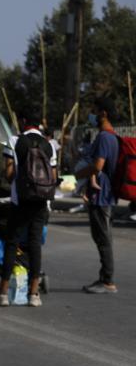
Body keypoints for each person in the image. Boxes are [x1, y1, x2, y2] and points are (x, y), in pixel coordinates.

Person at [0, 110, 57, 307]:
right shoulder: (49, 145)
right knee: (35, 244)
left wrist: (18, 183)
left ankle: (3, 293)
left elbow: (9, 171)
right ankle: (33, 293)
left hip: (20, 200)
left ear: (23, 120)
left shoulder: (14, 141)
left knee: (12, 243)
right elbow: (53, 176)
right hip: (41, 201)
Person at [76, 98, 120, 295]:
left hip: (101, 195)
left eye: (94, 111)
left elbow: (98, 166)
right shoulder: (110, 136)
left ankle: (107, 280)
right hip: (104, 192)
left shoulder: (104, 138)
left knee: (103, 237)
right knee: (103, 236)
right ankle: (105, 277)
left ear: (103, 114)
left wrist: (78, 174)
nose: (92, 115)